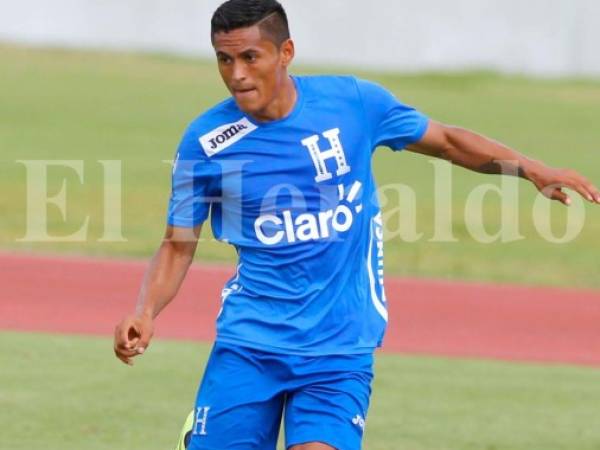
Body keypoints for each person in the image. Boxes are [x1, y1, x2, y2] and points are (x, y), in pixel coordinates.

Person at [113, 1, 600, 449]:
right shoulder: (207, 143)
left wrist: (531, 168)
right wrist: (146, 311)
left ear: (286, 52)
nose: (236, 75)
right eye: (223, 60)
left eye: (249, 57)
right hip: (250, 342)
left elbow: (449, 142)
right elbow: (177, 246)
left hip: (340, 347)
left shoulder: (353, 103)